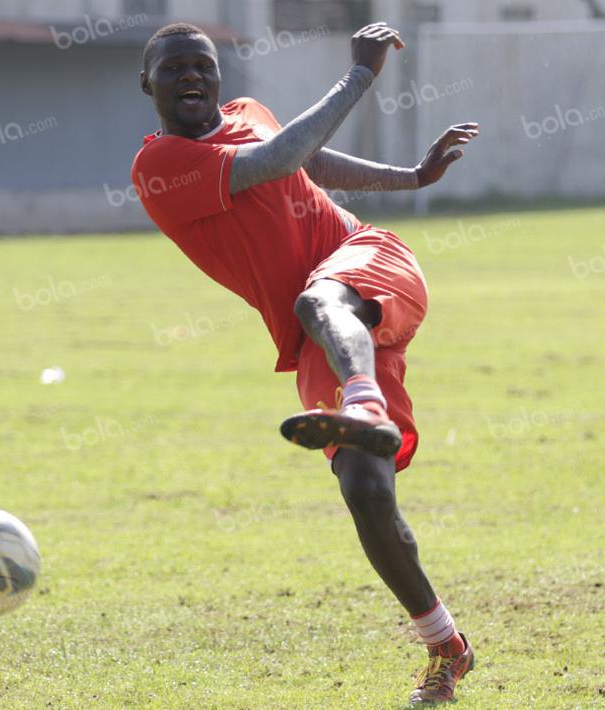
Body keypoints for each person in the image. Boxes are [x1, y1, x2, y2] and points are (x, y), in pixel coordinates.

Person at [131, 21, 479, 703]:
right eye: (173, 69)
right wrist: (360, 77)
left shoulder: (247, 115)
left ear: (219, 77)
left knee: (318, 301)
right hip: (321, 331)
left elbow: (308, 159)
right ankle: (446, 647)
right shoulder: (159, 165)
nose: (192, 77)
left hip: (365, 264)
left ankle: (364, 404)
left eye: (202, 65)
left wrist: (409, 176)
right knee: (365, 492)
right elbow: (284, 158)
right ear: (146, 83)